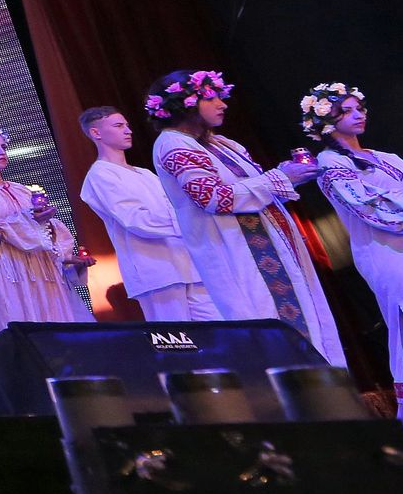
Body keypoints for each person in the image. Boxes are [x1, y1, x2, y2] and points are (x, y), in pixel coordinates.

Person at [147, 69, 343, 362]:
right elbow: (213, 197)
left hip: (272, 247)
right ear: (185, 105)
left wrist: (289, 176)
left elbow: (253, 189)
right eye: (211, 98)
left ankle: (323, 380)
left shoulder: (221, 143)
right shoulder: (174, 144)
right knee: (268, 322)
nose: (222, 104)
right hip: (239, 254)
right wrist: (279, 178)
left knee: (306, 319)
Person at [302, 83, 403, 457]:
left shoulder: (388, 157)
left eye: (360, 108)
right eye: (348, 110)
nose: (359, 114)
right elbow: (375, 210)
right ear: (327, 120)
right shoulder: (331, 165)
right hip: (389, 254)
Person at [0, 124, 94, 337]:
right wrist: (24, 220)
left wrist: (63, 252)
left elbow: (39, 232)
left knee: (53, 324)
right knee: (17, 325)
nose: (1, 152)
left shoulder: (21, 190)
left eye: (3, 147)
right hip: (2, 267)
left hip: (39, 267)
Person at [78, 105, 210, 320]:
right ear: (96, 133)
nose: (128, 130)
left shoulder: (144, 173)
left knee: (216, 328)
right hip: (155, 271)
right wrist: (187, 223)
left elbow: (172, 206)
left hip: (188, 265)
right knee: (177, 336)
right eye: (118, 126)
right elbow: (135, 219)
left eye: (127, 125)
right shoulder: (101, 175)